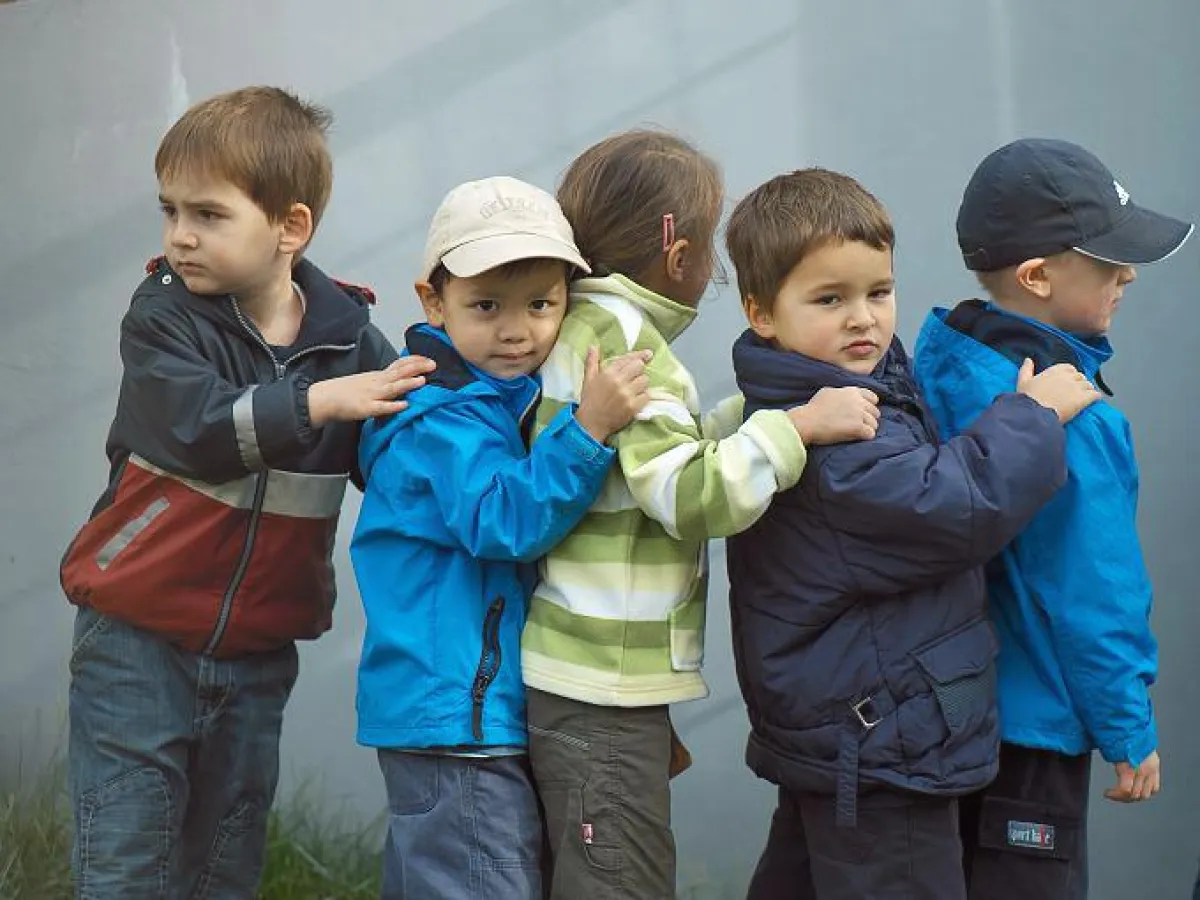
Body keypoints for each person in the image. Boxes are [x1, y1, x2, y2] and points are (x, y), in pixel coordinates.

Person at [58, 86, 433, 898]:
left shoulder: (351, 343)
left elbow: (407, 460)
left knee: (225, 860)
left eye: (208, 214)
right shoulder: (162, 319)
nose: (180, 235)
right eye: (170, 211)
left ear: (290, 228)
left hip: (258, 653)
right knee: (126, 859)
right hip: (134, 638)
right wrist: (319, 402)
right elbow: (198, 428)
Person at [521, 130, 885, 899]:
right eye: (712, 244)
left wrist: (754, 416)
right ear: (677, 252)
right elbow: (686, 496)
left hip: (591, 671)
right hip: (602, 678)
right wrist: (796, 429)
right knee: (621, 883)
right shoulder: (625, 339)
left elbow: (649, 459)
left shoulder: (588, 322)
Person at [723, 167, 1102, 899]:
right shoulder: (837, 440)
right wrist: (1031, 416)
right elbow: (954, 506)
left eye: (878, 292)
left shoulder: (837, 389)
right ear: (761, 312)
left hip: (853, 734)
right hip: (880, 747)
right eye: (830, 299)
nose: (863, 319)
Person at [349, 176, 654, 900]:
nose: (516, 330)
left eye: (540, 305)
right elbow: (502, 520)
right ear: (433, 302)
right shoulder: (442, 417)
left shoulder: (493, 401)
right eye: (487, 306)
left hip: (460, 713)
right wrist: (589, 430)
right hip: (459, 718)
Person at [914, 138, 1193, 900]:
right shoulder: (1081, 422)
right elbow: (1094, 594)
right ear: (1037, 277)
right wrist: (1128, 728)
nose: (1129, 275)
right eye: (1109, 261)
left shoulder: (933, 368)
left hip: (940, 725)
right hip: (1033, 738)